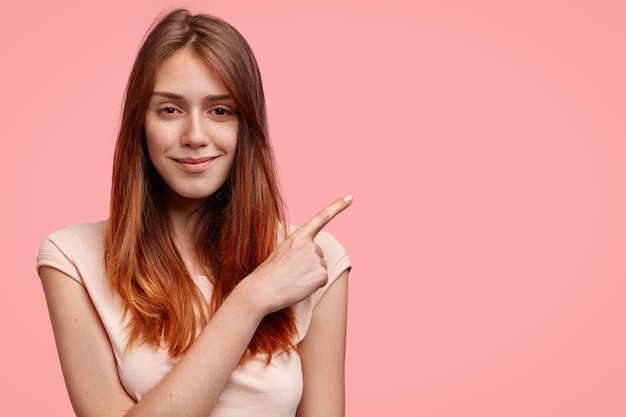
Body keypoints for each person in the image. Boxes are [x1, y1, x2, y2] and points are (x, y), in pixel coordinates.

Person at [37, 9, 352, 417]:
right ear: (140, 123)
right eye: (170, 110)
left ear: (246, 127)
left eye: (220, 111)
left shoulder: (311, 258)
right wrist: (251, 299)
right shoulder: (71, 258)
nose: (196, 136)